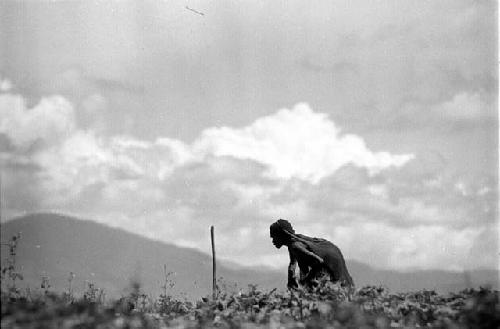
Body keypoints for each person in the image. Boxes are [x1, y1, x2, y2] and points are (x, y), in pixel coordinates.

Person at [270, 219, 354, 289]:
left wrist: (306, 280)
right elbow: (292, 265)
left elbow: (319, 261)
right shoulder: (292, 244)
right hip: (331, 257)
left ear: (282, 235)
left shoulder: (295, 246)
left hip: (330, 261)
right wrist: (291, 280)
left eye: (274, 237)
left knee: (335, 286)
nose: (273, 241)